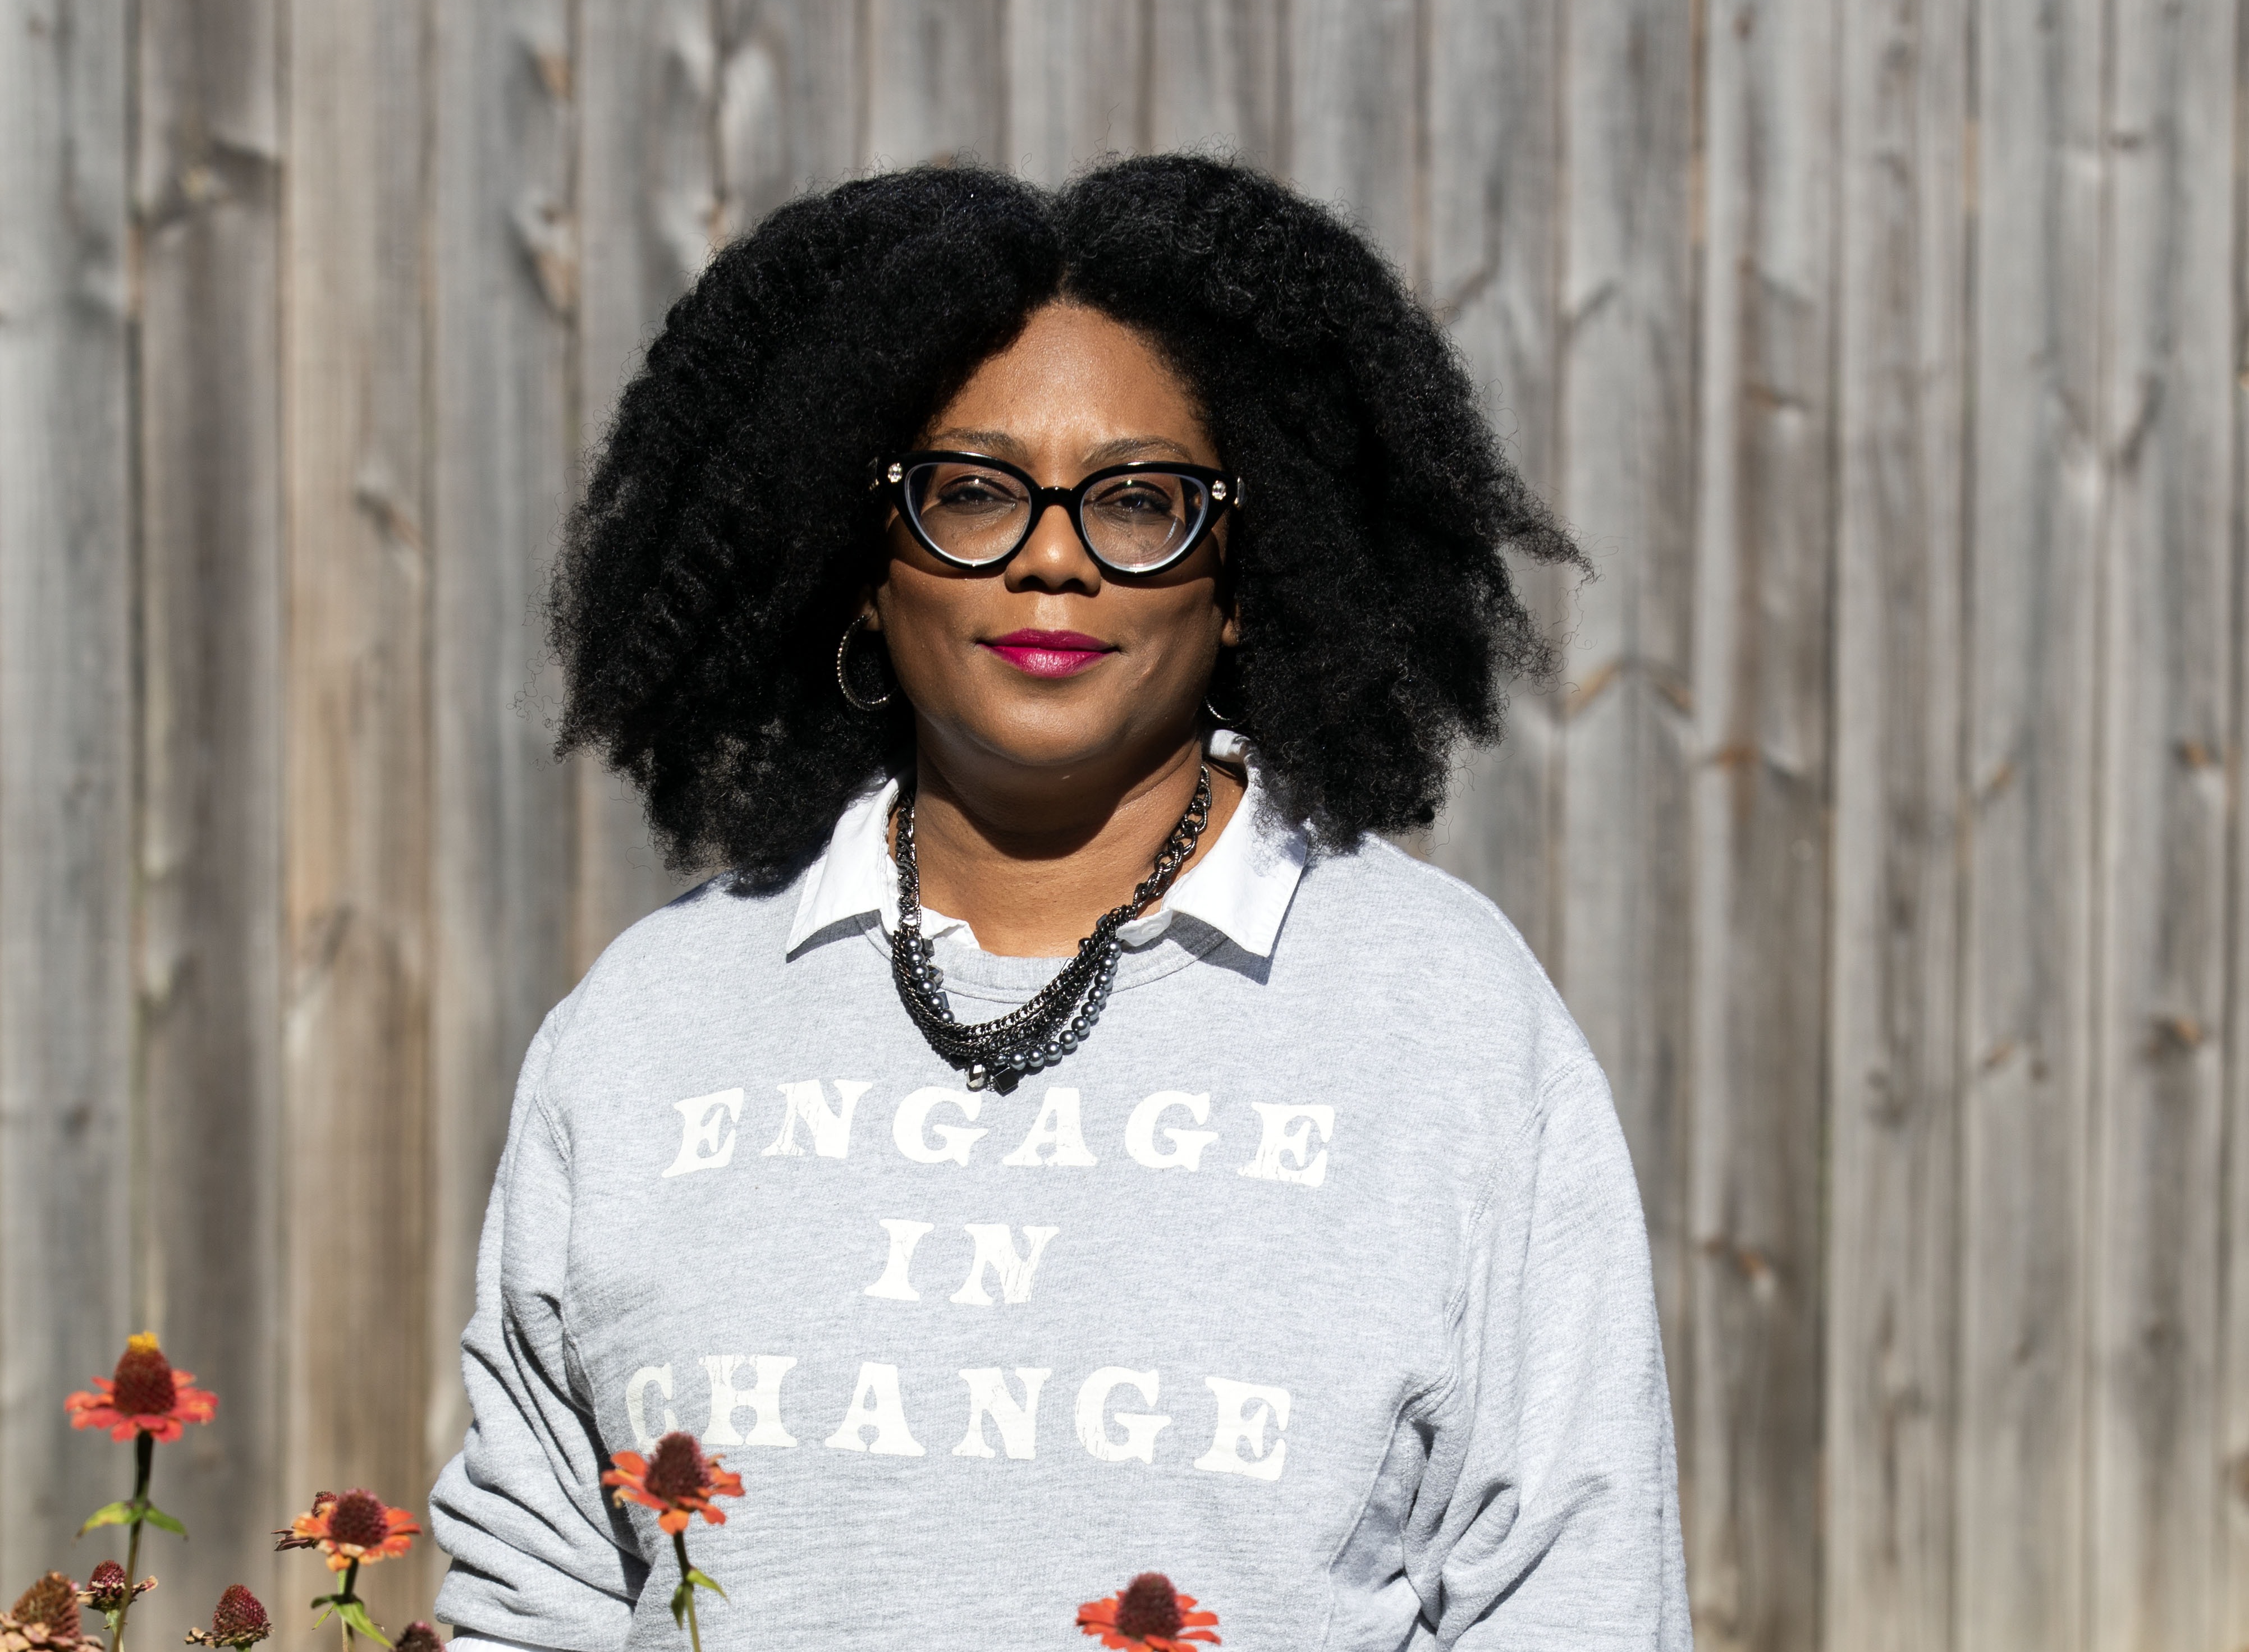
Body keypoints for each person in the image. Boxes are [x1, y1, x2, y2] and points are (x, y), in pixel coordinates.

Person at [430, 154, 1688, 1651]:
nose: (1048, 554)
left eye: (1139, 501)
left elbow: (1576, 1593)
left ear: (1239, 573)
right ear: (859, 568)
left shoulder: (1447, 1023)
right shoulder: (648, 1028)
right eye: (968, 491)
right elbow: (532, 1594)